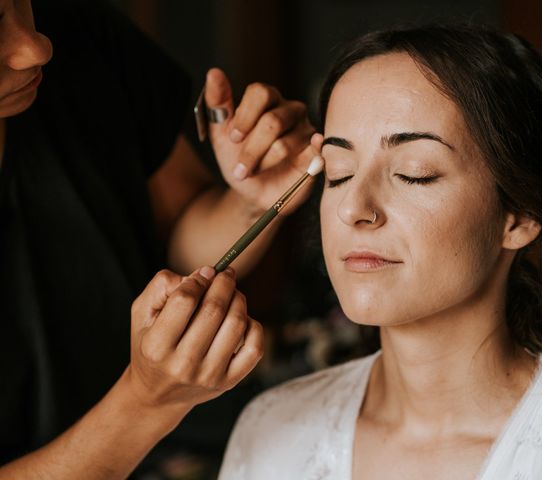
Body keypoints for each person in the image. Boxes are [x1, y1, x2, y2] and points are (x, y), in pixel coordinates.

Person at [218, 24, 542, 479]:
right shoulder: (270, 431)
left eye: (414, 174)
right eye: (338, 173)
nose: (354, 209)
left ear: (517, 216)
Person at [0, 0, 317, 477]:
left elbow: (181, 237)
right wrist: (146, 405)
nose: (35, 48)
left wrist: (248, 204)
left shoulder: (80, 38)